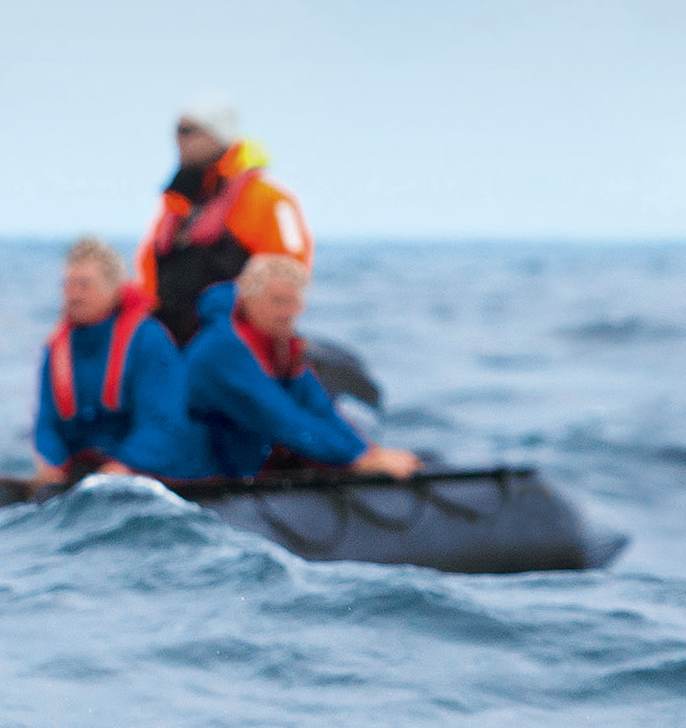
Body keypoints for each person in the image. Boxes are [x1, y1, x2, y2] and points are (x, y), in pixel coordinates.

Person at [142, 254, 421, 480]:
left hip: (237, 470)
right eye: (278, 301)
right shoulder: (221, 350)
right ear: (248, 300)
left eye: (295, 301)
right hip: (189, 475)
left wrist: (368, 452)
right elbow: (280, 418)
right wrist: (357, 459)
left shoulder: (281, 346)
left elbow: (319, 408)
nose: (289, 312)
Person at [132, 99, 309, 346]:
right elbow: (150, 273)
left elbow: (290, 274)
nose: (179, 139)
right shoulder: (177, 205)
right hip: (174, 344)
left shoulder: (268, 200)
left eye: (188, 131)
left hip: (235, 345)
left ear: (218, 136)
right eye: (177, 131)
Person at [29, 235, 183, 485]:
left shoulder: (148, 340)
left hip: (143, 476)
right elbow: (46, 422)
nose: (73, 295)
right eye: (67, 285)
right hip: (83, 475)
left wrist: (123, 466)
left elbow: (163, 423)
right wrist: (52, 463)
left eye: (84, 285)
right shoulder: (56, 349)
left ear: (113, 289)